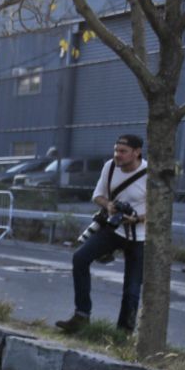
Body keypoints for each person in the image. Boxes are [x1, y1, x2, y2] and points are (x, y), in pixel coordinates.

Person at [56, 133, 148, 334]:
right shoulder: (110, 167)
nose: (118, 155)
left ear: (137, 152)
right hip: (114, 227)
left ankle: (123, 333)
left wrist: (137, 218)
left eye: (123, 151)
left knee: (132, 287)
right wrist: (109, 205)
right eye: (116, 150)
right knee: (80, 258)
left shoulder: (150, 174)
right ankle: (82, 315)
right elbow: (97, 196)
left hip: (140, 236)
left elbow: (160, 211)